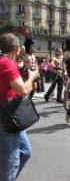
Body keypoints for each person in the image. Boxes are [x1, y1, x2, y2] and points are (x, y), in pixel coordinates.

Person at [0, 33, 39, 181]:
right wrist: (32, 76)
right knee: (11, 163)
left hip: (13, 118)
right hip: (8, 118)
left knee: (25, 152)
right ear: (17, 48)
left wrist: (23, 68)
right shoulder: (7, 63)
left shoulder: (6, 61)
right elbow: (22, 90)